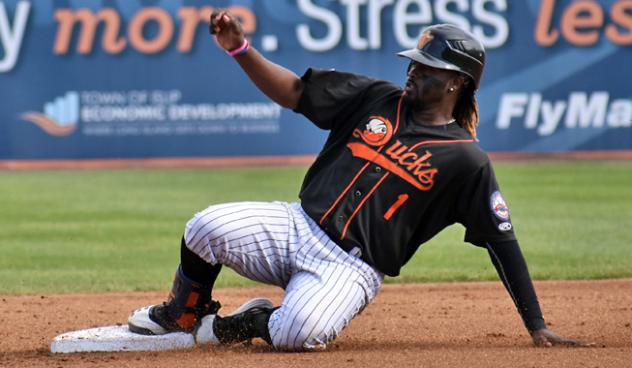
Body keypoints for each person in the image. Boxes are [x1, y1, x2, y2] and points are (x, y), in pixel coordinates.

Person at [128, 10, 591, 350]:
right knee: (206, 226)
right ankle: (183, 313)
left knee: (299, 334)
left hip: (349, 267)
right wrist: (240, 51)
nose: (412, 69)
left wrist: (537, 325)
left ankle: (247, 323)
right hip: (296, 227)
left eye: (427, 67)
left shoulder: (466, 160)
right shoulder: (376, 97)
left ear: (456, 83)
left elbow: (501, 241)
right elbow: (293, 92)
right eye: (414, 61)